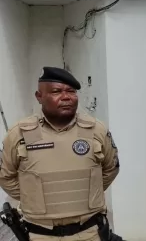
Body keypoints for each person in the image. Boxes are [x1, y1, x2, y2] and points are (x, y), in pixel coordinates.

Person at [0, 66, 121, 241]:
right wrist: (33, 195)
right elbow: (5, 176)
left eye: (71, 91)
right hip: (40, 235)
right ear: (39, 96)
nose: (66, 97)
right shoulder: (18, 134)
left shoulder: (96, 130)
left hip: (89, 233)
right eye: (56, 91)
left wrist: (88, 192)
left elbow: (111, 168)